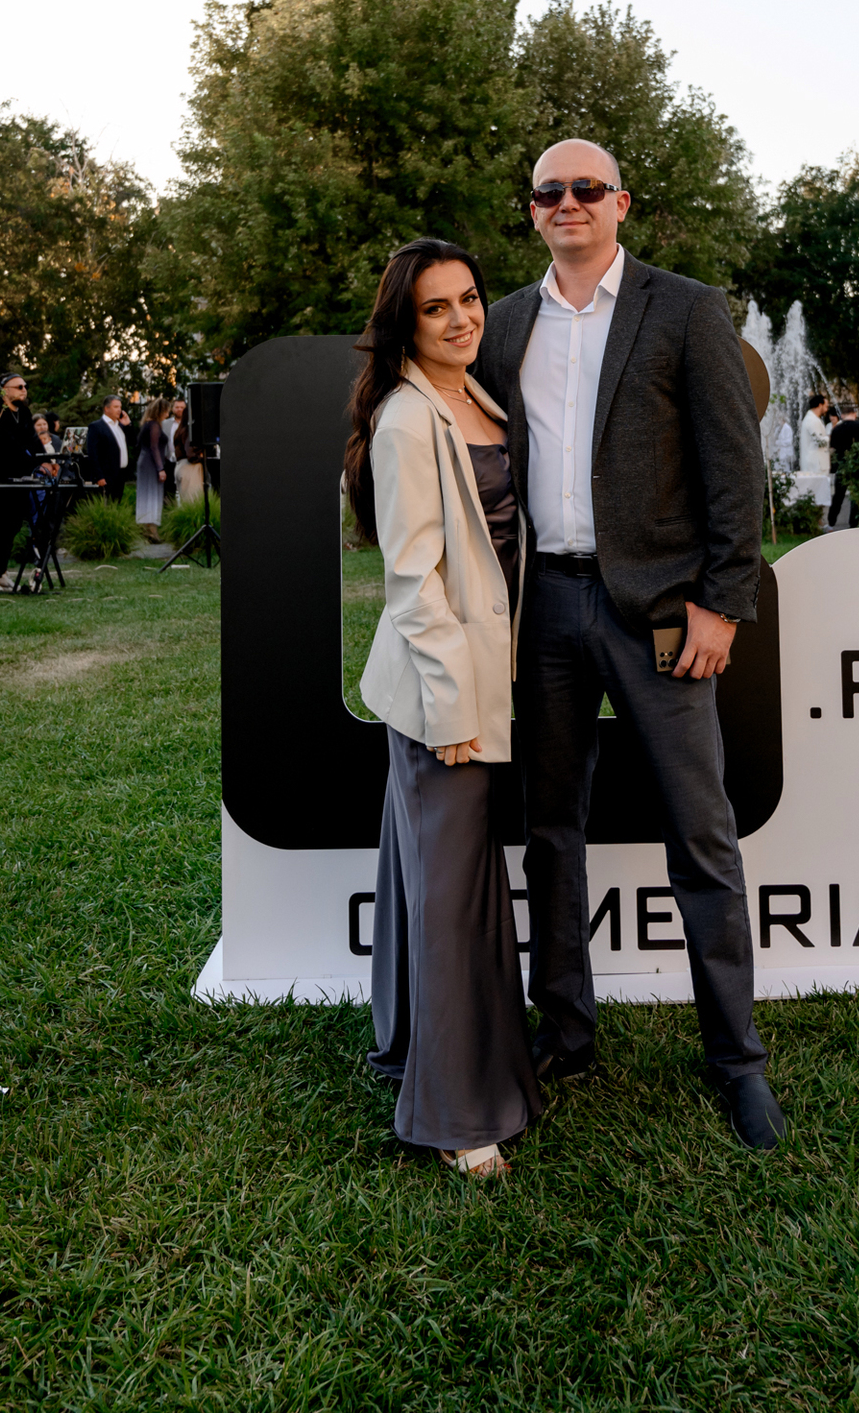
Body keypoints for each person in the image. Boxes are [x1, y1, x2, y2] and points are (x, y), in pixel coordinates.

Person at [477, 139, 786, 1153]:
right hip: (542, 611)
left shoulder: (685, 310)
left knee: (700, 833)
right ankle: (565, 1035)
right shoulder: (505, 324)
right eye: (549, 191)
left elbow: (733, 470)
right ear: (533, 211)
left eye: (587, 188)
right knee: (550, 831)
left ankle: (737, 1061)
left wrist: (721, 604)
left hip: (657, 612)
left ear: (621, 204)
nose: (568, 202)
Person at [348, 237, 541, 1180]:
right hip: (443, 696)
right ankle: (458, 1115)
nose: (462, 318)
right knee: (454, 898)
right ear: (406, 324)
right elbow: (412, 582)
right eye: (437, 307)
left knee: (430, 880)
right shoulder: (404, 419)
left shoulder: (480, 400)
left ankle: (410, 1046)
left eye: (469, 299)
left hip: (483, 679)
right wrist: (454, 704)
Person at [0, 374, 50, 594]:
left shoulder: (24, 413)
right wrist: (31, 461)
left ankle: (1, 573)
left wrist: (45, 460)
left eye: (25, 386)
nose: (24, 390)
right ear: (5, 390)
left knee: (13, 526)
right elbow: (4, 444)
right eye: (19, 387)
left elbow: (32, 440)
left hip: (20, 479)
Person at [828, 402, 859, 528]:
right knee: (857, 496)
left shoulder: (836, 429)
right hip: (858, 465)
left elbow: (832, 450)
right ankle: (853, 524)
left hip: (842, 466)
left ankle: (831, 522)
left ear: (842, 415)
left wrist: (831, 464)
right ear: (855, 414)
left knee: (838, 496)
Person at [86, 396, 132, 507]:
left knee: (116, 505)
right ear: (106, 409)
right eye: (116, 407)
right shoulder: (96, 426)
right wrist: (99, 476)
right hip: (106, 475)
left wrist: (128, 425)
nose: (119, 410)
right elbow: (92, 453)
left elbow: (132, 442)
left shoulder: (120, 426)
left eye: (120, 407)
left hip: (120, 473)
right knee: (104, 505)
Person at [134, 399, 169, 539]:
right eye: (166, 411)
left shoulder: (146, 424)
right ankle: (151, 529)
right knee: (152, 494)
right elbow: (154, 447)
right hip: (151, 463)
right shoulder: (154, 425)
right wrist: (160, 468)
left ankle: (146, 527)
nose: (167, 414)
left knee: (146, 494)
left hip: (145, 461)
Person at [173, 410, 205, 505]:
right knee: (193, 504)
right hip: (190, 468)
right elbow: (191, 455)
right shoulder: (189, 432)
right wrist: (203, 458)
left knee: (185, 504)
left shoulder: (180, 430)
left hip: (181, 466)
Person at [799, 394, 831, 475]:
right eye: (826, 406)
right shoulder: (812, 420)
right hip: (816, 466)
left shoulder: (813, 419)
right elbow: (819, 442)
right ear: (820, 405)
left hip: (816, 465)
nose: (827, 409)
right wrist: (831, 437)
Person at [163, 399, 185, 504]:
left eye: (182, 407)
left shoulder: (189, 424)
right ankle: (169, 508)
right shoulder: (165, 424)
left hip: (185, 461)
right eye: (177, 407)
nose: (179, 409)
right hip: (169, 461)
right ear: (173, 409)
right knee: (169, 488)